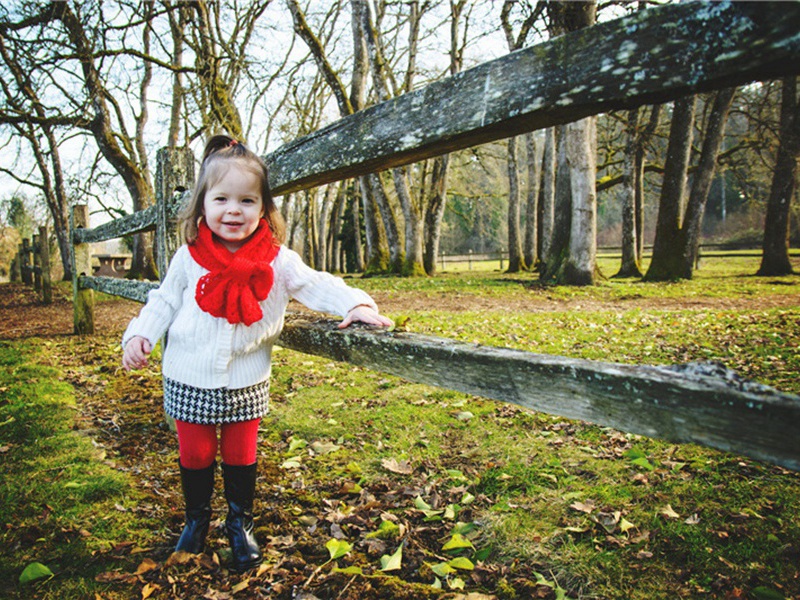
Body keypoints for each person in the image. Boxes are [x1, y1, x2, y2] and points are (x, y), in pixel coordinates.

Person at [121, 134, 392, 572]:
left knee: (240, 453)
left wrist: (356, 303)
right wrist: (140, 336)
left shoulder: (277, 260)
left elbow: (315, 284)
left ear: (264, 208)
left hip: (247, 378)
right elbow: (164, 302)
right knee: (196, 453)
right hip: (188, 373)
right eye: (222, 198)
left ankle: (238, 522)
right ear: (203, 205)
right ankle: (196, 520)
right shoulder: (188, 258)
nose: (233, 210)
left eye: (247, 201)